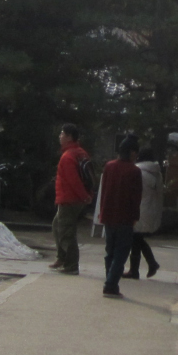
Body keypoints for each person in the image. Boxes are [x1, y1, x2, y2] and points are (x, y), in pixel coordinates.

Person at [99, 135, 144, 297]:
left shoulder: (109, 166)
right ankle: (111, 284)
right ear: (132, 153)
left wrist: (102, 211)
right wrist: (135, 216)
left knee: (110, 251)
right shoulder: (134, 171)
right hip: (125, 216)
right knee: (121, 253)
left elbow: (103, 190)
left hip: (108, 214)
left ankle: (109, 280)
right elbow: (136, 197)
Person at [50, 123, 95, 275]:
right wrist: (87, 195)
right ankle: (62, 257)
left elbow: (73, 180)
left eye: (62, 134)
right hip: (74, 198)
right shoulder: (81, 153)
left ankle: (71, 265)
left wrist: (84, 196)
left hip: (69, 199)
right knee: (57, 225)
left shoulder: (68, 156)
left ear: (69, 137)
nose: (60, 136)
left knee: (66, 231)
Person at [125, 146, 163, 280]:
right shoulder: (157, 173)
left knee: (135, 238)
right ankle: (144, 266)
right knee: (137, 238)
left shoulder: (138, 171)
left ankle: (143, 267)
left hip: (139, 209)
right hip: (151, 209)